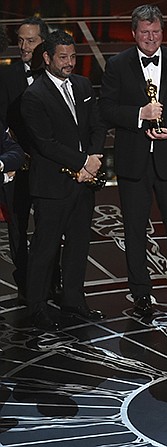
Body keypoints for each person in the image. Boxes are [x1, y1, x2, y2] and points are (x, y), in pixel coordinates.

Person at [99, 4, 167, 316]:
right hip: (133, 163)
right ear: (134, 33)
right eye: (145, 32)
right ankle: (141, 294)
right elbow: (105, 109)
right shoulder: (117, 65)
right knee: (133, 229)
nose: (151, 37)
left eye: (156, 32)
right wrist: (139, 115)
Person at [21, 30, 106, 331]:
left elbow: (97, 125)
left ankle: (73, 300)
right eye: (63, 57)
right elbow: (46, 143)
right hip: (53, 187)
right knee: (45, 248)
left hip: (83, 183)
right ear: (47, 58)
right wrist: (82, 162)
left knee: (79, 244)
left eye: (72, 56)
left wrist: (93, 160)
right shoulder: (34, 96)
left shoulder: (82, 85)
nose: (69, 62)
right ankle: (37, 308)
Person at [0, 17, 49, 300]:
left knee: (48, 225)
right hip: (17, 166)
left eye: (30, 40)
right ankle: (25, 283)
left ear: (43, 42)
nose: (23, 46)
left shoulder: (53, 76)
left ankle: (50, 280)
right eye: (20, 40)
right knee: (18, 226)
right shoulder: (6, 77)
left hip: (47, 165)